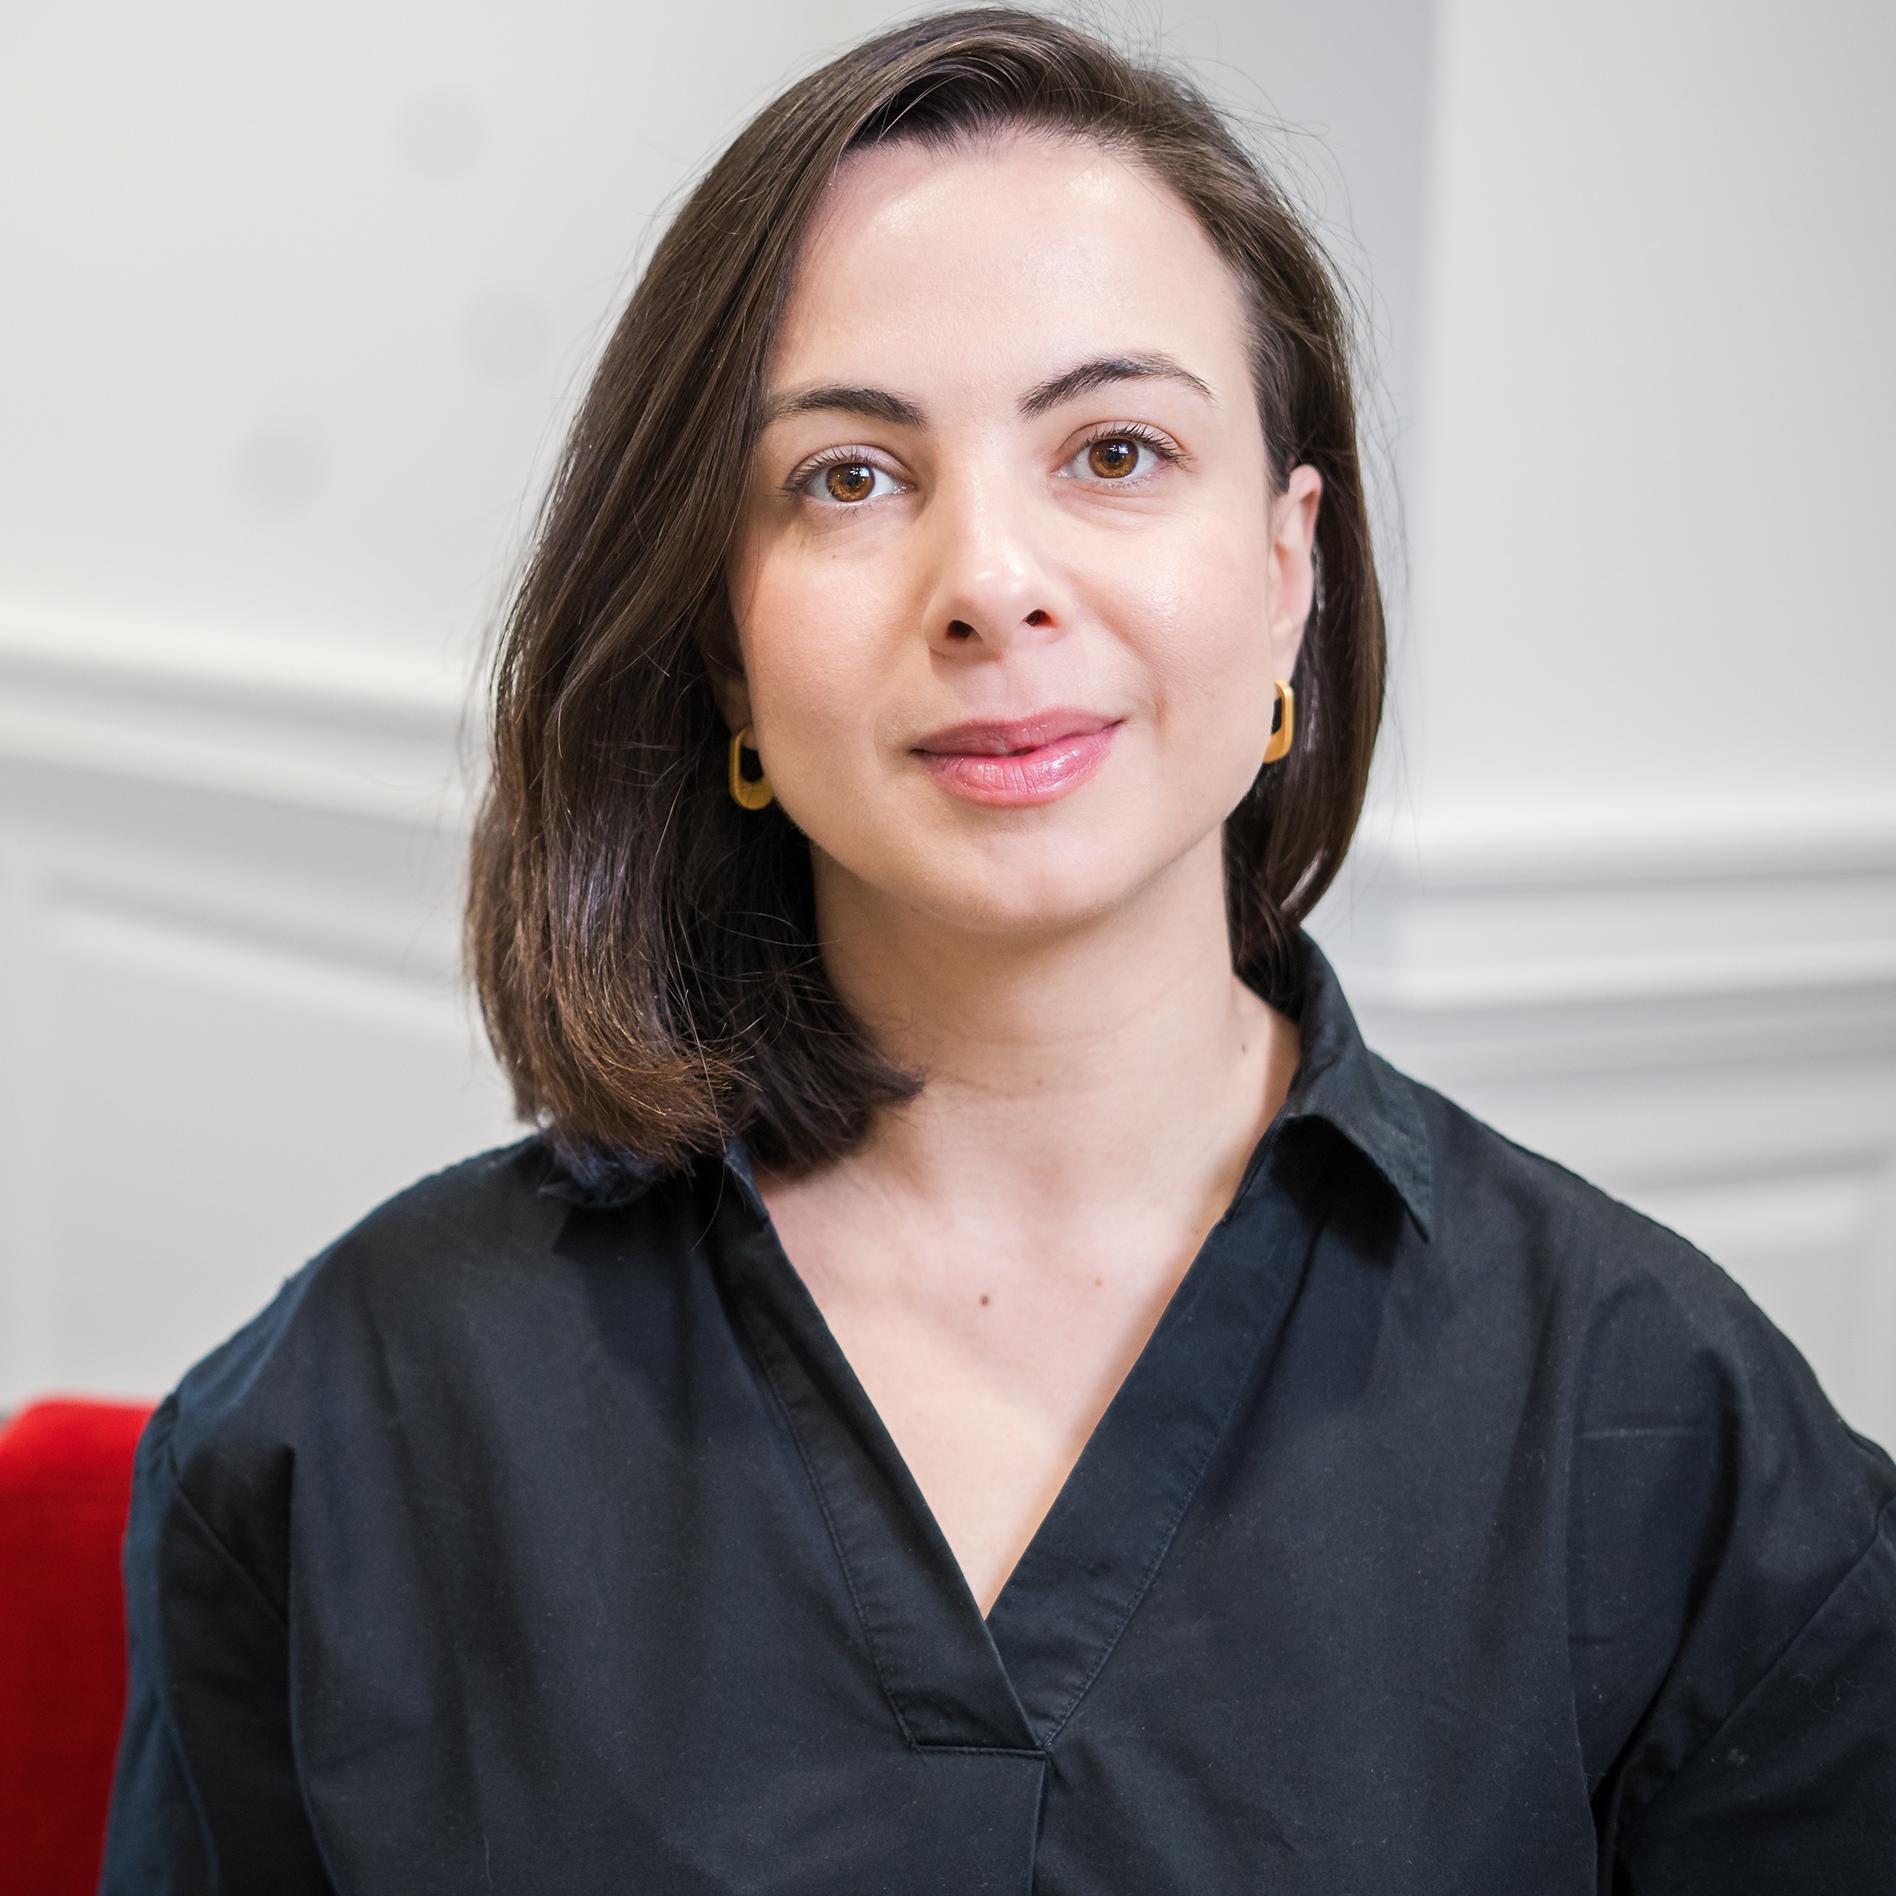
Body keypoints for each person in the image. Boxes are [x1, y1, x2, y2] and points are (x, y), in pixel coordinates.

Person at [99, 6, 1895, 1891]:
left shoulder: (1665, 1431)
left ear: (1289, 564)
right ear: (722, 642)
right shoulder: (343, 1421)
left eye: (1116, 449)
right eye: (848, 477)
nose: (990, 585)